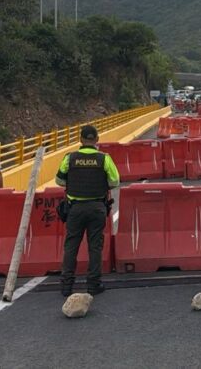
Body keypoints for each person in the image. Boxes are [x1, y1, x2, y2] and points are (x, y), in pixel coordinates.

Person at [55, 124, 119, 296]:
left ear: (80, 139)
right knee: (95, 247)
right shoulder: (104, 158)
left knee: (71, 246)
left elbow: (59, 181)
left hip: (75, 208)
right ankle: (93, 284)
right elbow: (114, 182)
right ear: (97, 139)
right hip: (97, 207)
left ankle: (66, 286)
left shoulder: (70, 158)